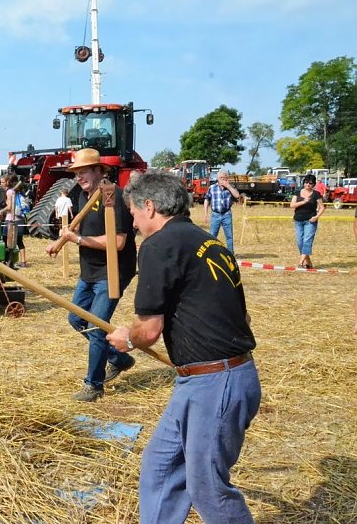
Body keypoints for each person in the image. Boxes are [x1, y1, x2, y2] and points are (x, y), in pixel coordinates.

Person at [106, 172, 260, 523]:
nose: (132, 220)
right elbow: (244, 317)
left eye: (133, 212)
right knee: (161, 465)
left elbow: (149, 329)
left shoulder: (159, 246)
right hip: (211, 378)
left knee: (207, 487)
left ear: (149, 206)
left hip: (215, 383)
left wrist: (125, 338)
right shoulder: (209, 243)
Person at [45, 148, 136, 401]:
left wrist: (79, 239)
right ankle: (119, 358)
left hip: (112, 271)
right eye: (76, 173)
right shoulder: (84, 196)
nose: (79, 177)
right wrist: (58, 243)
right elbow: (73, 230)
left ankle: (93, 385)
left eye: (84, 171)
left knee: (96, 327)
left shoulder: (111, 195)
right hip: (90, 272)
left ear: (99, 170)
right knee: (76, 319)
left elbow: (118, 242)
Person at [289, 174, 325, 269]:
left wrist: (316, 217)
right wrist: (303, 202)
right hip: (298, 220)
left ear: (313, 184)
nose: (308, 185)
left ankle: (301, 263)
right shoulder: (297, 192)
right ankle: (308, 262)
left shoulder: (316, 194)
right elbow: (292, 205)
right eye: (306, 182)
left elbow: (322, 208)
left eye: (310, 183)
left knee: (307, 241)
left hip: (310, 221)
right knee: (299, 242)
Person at [203, 169, 241, 254]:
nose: (223, 179)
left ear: (227, 178)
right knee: (212, 236)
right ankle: (211, 253)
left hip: (226, 214)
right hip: (215, 214)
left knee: (229, 236)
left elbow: (237, 195)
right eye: (221, 178)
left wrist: (228, 186)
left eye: (224, 178)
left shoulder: (230, 188)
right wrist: (205, 214)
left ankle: (231, 254)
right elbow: (206, 200)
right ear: (218, 178)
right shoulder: (212, 188)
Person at [0, 175, 28, 267]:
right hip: (19, 219)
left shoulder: (9, 192)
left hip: (10, 219)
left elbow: (9, 207)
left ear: (8, 182)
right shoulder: (17, 191)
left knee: (5, 240)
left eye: (3, 182)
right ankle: (23, 261)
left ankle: (8, 260)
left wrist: (1, 211)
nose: (1, 184)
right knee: (19, 241)